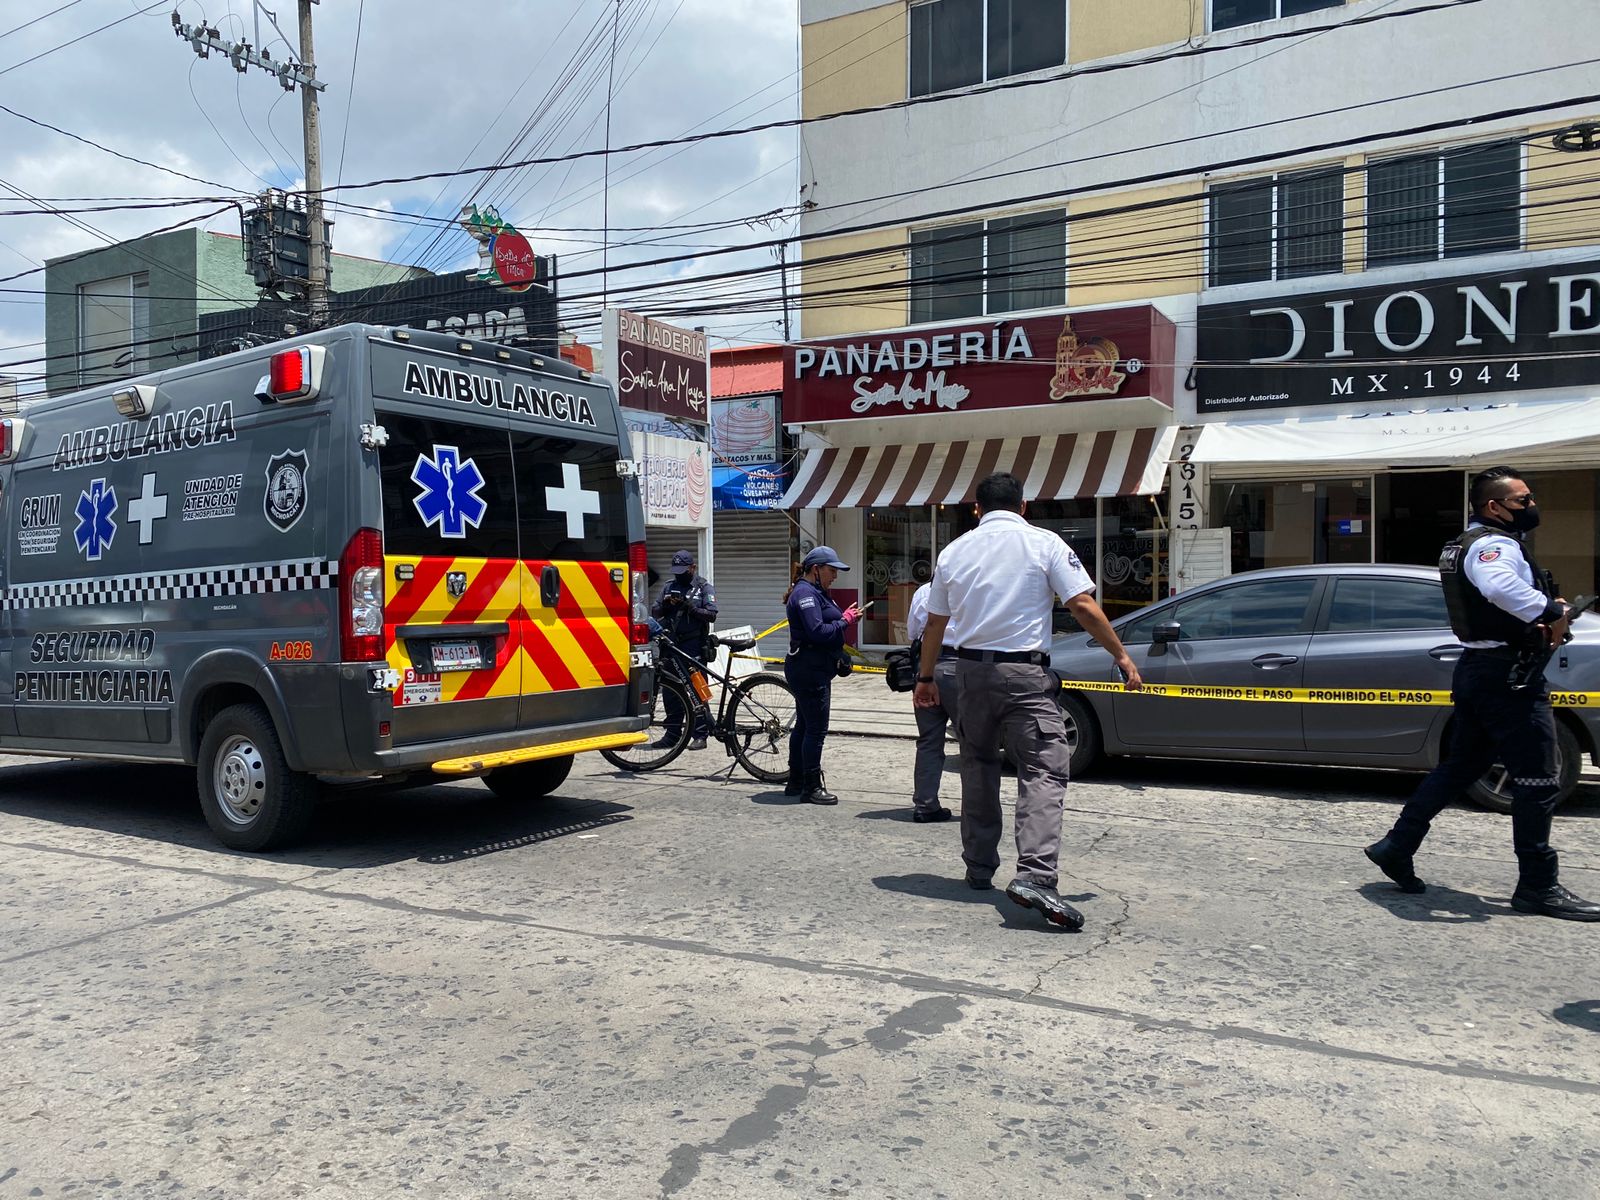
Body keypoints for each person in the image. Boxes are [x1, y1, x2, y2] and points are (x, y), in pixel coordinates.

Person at [1365, 466, 1599, 921]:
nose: (1531, 507)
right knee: (1536, 780)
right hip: (1506, 676)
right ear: (1494, 506)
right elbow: (1499, 587)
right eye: (1522, 501)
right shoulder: (1493, 545)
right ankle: (1538, 886)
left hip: (1482, 670)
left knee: (1462, 766)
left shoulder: (1464, 543)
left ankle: (1397, 844)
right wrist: (1553, 610)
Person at [914, 472, 1142, 930]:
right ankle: (1036, 875)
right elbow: (1080, 604)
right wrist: (1120, 653)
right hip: (1023, 674)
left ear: (977, 509)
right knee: (1044, 767)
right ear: (1024, 506)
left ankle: (979, 868)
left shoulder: (954, 552)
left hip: (967, 674)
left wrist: (925, 678)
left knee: (978, 765)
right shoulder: (1043, 543)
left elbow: (935, 624)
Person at [783, 546, 862, 804]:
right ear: (816, 569)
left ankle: (795, 782)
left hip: (815, 667)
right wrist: (846, 620)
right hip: (809, 670)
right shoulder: (805, 594)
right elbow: (817, 631)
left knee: (805, 726)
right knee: (816, 730)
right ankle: (811, 786)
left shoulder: (817, 592)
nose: (835, 576)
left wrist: (844, 621)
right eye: (831, 570)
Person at [652, 548, 718, 751]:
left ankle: (701, 734)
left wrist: (691, 607)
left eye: (683, 570)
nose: (679, 574)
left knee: (698, 690)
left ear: (693, 567)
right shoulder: (669, 586)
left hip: (693, 646)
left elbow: (712, 614)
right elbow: (654, 611)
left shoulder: (703, 587)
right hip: (671, 646)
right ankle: (672, 734)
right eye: (676, 571)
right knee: (671, 692)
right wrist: (665, 605)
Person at [906, 580, 956, 824]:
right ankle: (979, 808)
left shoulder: (923, 592)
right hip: (963, 667)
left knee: (928, 741)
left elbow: (913, 633)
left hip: (927, 667)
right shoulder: (971, 589)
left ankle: (925, 805)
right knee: (974, 743)